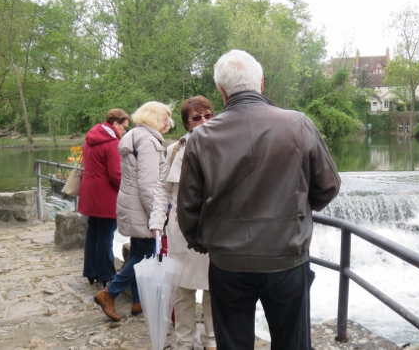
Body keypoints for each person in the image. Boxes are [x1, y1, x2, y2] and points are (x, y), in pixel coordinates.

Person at [177, 49, 342, 350]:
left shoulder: (201, 137)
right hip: (286, 256)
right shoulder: (299, 124)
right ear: (261, 83)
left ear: (222, 91)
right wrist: (298, 212)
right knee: (292, 344)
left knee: (233, 344)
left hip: (227, 262)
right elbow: (328, 186)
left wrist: (204, 243)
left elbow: (188, 207)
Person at [94, 101, 172, 321]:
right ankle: (109, 293)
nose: (168, 123)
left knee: (138, 250)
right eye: (165, 119)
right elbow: (149, 184)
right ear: (153, 118)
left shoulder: (136, 136)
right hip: (142, 207)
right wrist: (157, 216)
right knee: (145, 254)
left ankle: (138, 301)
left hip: (132, 204)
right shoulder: (148, 141)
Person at [151, 96, 217, 350]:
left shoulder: (225, 144)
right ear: (187, 123)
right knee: (182, 289)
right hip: (181, 229)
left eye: (208, 115)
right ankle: (184, 341)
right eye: (196, 118)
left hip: (214, 228)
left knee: (213, 287)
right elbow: (162, 188)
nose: (203, 121)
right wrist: (157, 220)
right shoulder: (175, 150)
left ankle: (211, 339)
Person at [78, 108, 130, 287]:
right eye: (124, 127)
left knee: (93, 232)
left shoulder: (90, 139)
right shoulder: (112, 143)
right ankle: (106, 274)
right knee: (106, 235)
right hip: (106, 195)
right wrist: (125, 192)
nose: (124, 131)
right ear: (115, 123)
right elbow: (116, 174)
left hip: (90, 192)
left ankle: (91, 271)